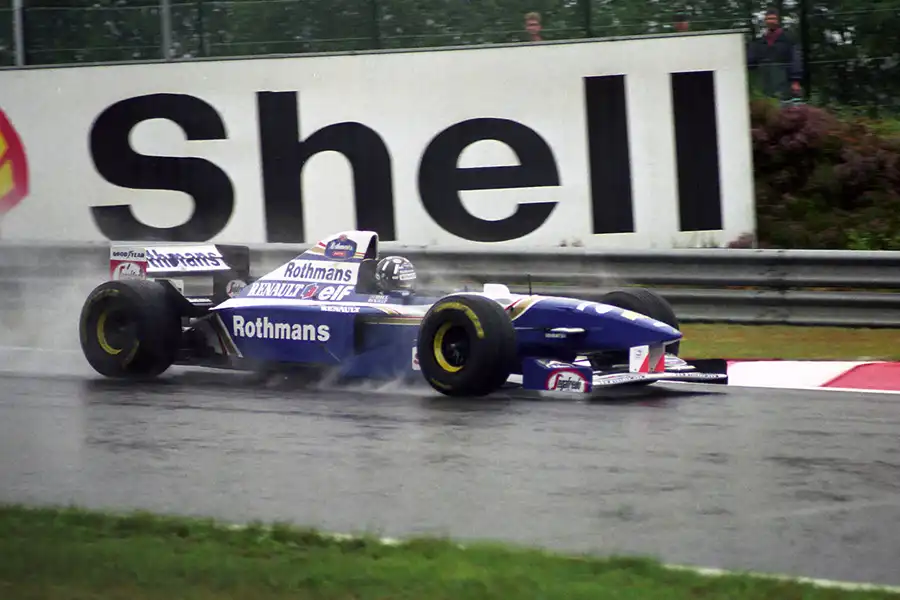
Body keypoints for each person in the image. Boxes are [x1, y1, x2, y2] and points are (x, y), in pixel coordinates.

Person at [746, 7, 803, 101]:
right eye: (768, 19)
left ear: (778, 20)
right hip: (764, 83)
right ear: (765, 21)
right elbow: (750, 62)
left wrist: (795, 81)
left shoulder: (789, 39)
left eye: (773, 18)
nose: (771, 21)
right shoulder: (759, 42)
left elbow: (796, 60)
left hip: (784, 82)